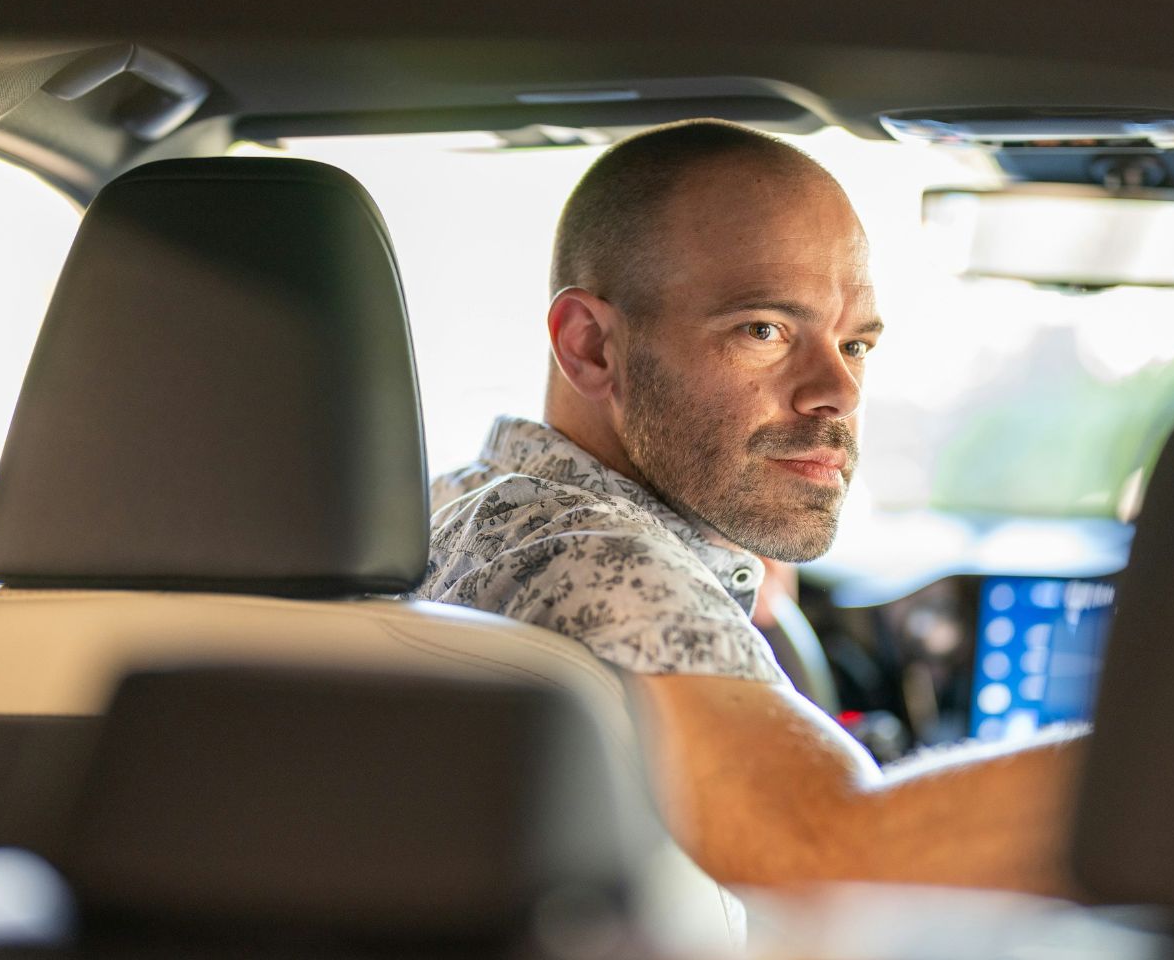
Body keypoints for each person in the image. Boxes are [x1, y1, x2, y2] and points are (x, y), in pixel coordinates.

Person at [411, 119, 1083, 895]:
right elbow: (830, 854)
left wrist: (726, 582)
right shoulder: (607, 565)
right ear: (591, 346)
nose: (840, 392)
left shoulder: (471, 500)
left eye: (855, 344)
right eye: (764, 329)